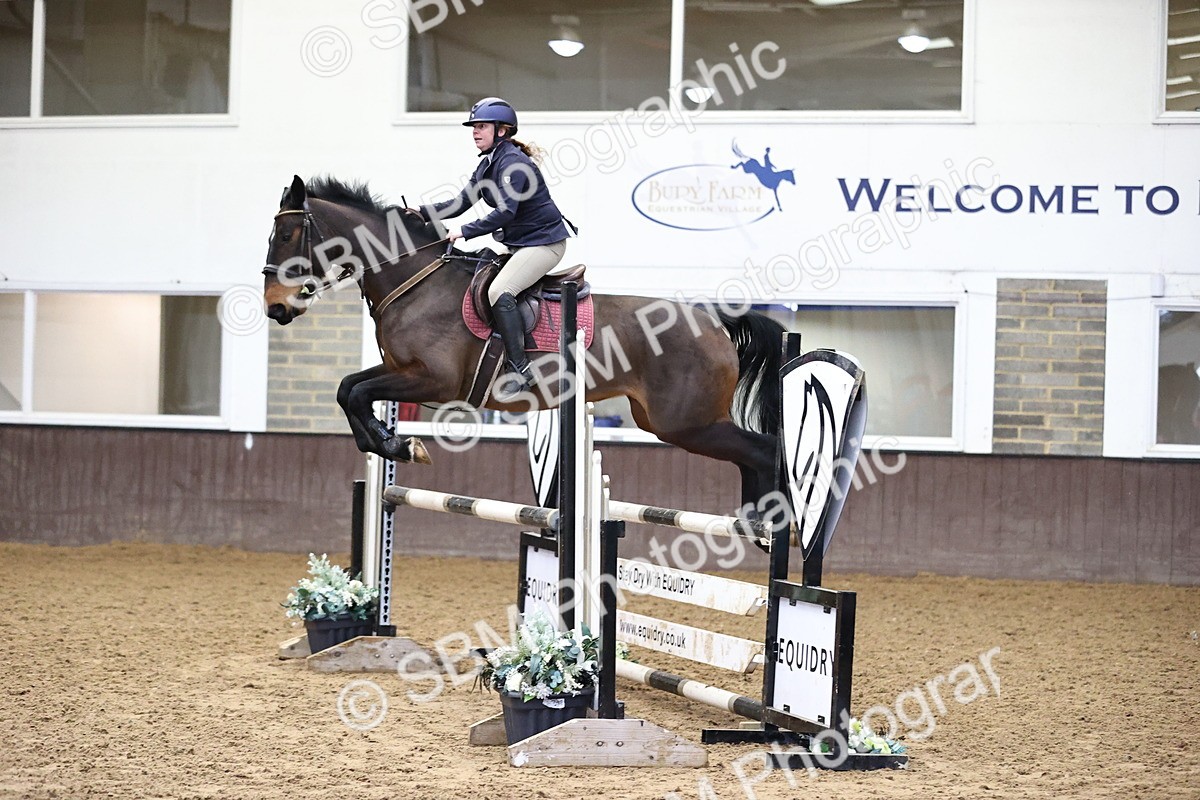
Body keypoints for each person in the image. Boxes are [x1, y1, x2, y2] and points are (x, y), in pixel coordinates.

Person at [417, 97, 573, 394]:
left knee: (500, 291)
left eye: (482, 126)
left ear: (502, 130)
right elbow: (460, 202)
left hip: (545, 245)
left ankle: (521, 369)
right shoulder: (489, 163)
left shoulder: (514, 164)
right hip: (522, 245)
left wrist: (464, 231)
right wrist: (419, 212)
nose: (475, 132)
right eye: (474, 126)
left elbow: (505, 213)